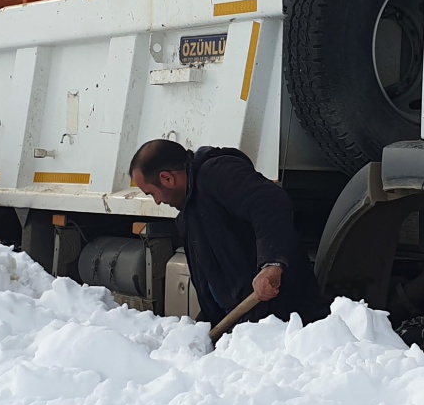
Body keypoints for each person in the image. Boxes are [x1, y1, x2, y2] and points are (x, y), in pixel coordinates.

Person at [129, 139, 326, 328]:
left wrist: (271, 264)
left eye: (151, 193)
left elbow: (269, 202)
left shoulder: (215, 174)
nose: (156, 201)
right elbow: (213, 286)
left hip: (283, 322)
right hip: (246, 328)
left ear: (167, 178)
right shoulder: (188, 217)